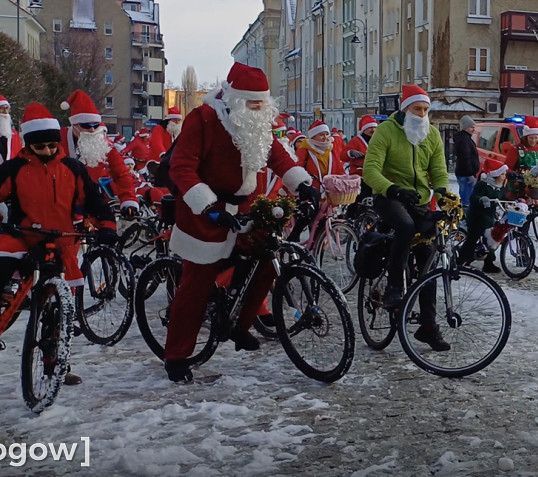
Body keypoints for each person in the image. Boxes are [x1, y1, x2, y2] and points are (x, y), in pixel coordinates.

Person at [162, 63, 316, 383]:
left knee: (265, 259)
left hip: (248, 204)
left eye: (262, 103)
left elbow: (276, 155)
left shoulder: (257, 124)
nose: (259, 109)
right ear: (233, 99)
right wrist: (207, 207)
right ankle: (176, 355)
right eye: (252, 103)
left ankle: (238, 324)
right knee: (196, 285)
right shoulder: (203, 120)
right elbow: (182, 168)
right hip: (206, 209)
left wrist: (301, 183)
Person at [0, 103, 117, 386]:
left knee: (60, 308)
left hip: (61, 241)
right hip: (22, 235)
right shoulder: (15, 168)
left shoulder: (73, 168)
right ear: (29, 145)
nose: (46, 151)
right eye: (39, 146)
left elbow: (96, 202)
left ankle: (55, 366)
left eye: (50, 145)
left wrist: (107, 227)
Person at [363, 84, 453, 351]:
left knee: (429, 260)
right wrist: (392, 189)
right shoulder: (386, 131)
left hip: (420, 199)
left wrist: (445, 195)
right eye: (417, 109)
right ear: (405, 109)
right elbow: (370, 170)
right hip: (389, 195)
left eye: (426, 110)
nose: (422, 114)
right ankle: (393, 287)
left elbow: (439, 170)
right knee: (405, 225)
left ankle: (428, 326)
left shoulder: (432, 134)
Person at [59, 90, 140, 219]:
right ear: (73, 125)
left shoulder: (104, 144)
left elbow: (121, 174)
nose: (92, 130)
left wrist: (128, 200)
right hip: (60, 203)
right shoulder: (59, 140)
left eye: (96, 125)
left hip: (91, 202)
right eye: (86, 125)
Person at [458, 158, 508, 273]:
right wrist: (481, 199)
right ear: (495, 175)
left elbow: (503, 198)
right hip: (477, 215)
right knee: (473, 238)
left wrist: (511, 204)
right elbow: (474, 197)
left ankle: (489, 262)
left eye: (504, 174)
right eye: (502, 174)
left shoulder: (500, 186)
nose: (504, 176)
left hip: (489, 216)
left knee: (491, 239)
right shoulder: (482, 184)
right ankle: (462, 258)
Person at [297, 120, 344, 189]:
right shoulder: (304, 151)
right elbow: (297, 172)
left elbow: (339, 170)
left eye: (327, 134)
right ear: (313, 136)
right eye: (321, 135)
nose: (325, 137)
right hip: (310, 193)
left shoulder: (331, 151)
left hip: (331, 193)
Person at [453, 116, 480, 209]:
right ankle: (465, 218)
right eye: (472, 127)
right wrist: (469, 174)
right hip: (466, 175)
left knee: (467, 198)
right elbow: (465, 158)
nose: (474, 129)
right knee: (467, 200)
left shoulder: (465, 138)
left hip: (466, 174)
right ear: (466, 127)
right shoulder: (464, 140)